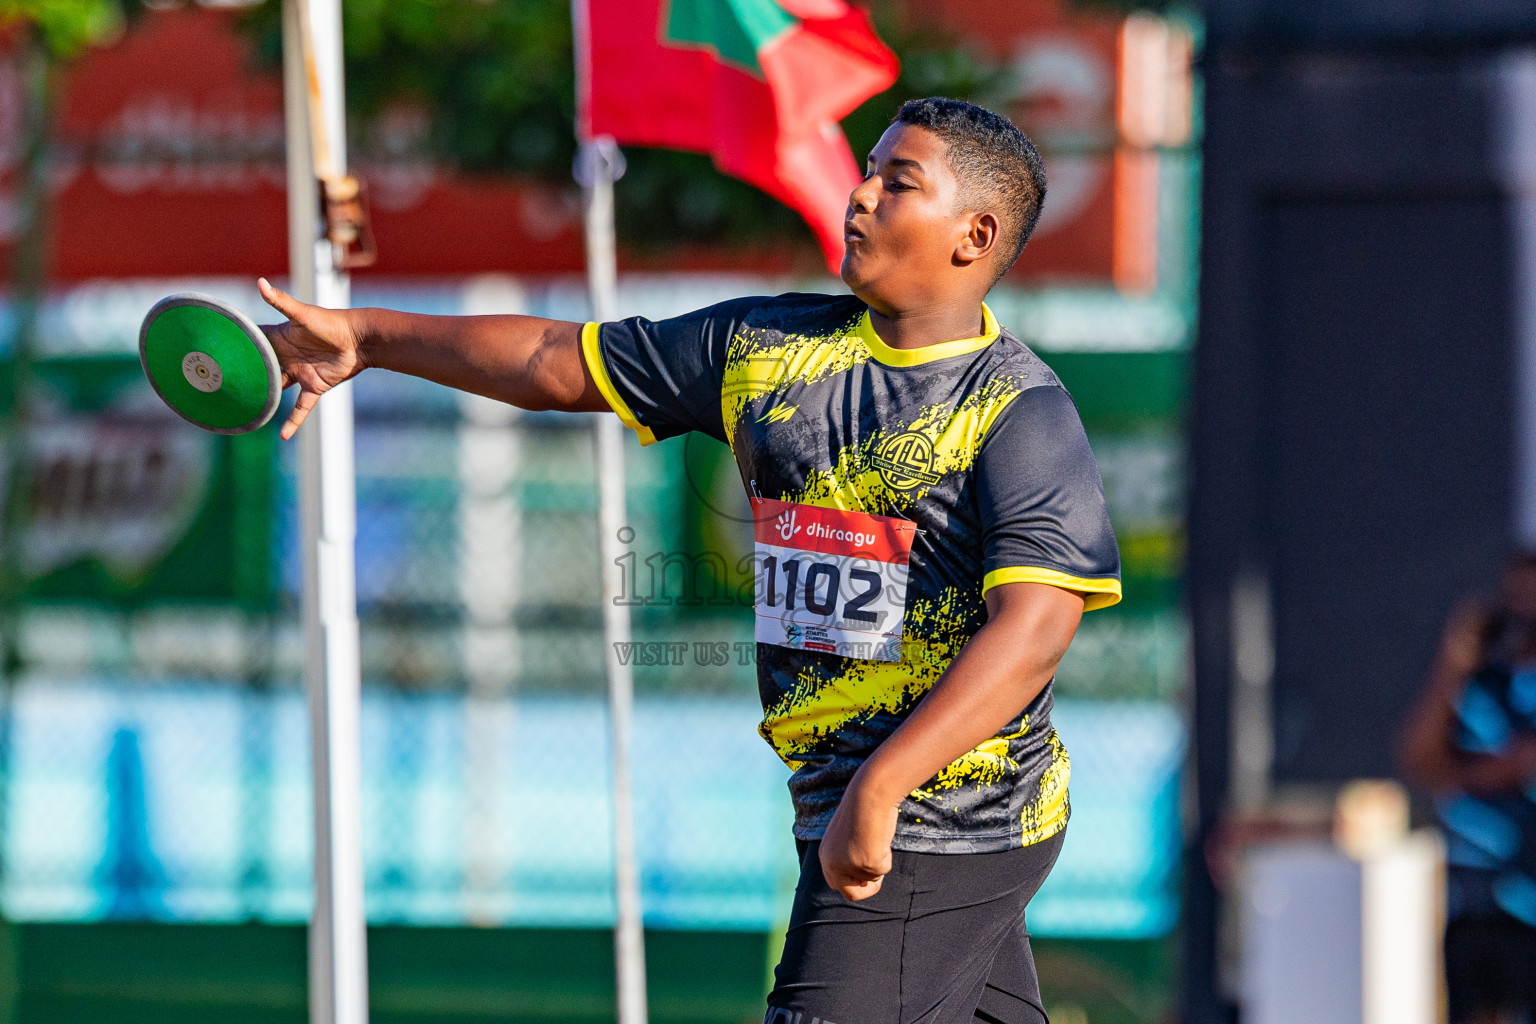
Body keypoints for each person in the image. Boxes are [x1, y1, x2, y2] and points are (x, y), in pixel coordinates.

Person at [261, 97, 1120, 1024]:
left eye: (897, 182)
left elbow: (1036, 629)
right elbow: (557, 357)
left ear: (974, 234)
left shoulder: (1019, 410)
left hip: (948, 810)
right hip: (847, 798)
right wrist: (371, 338)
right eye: (867, 171)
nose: (859, 195)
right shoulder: (767, 347)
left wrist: (884, 783)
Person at [1401, 552, 1536, 1024]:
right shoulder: (1479, 687)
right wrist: (1453, 661)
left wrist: (1467, 775)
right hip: (1473, 908)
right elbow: (1422, 759)